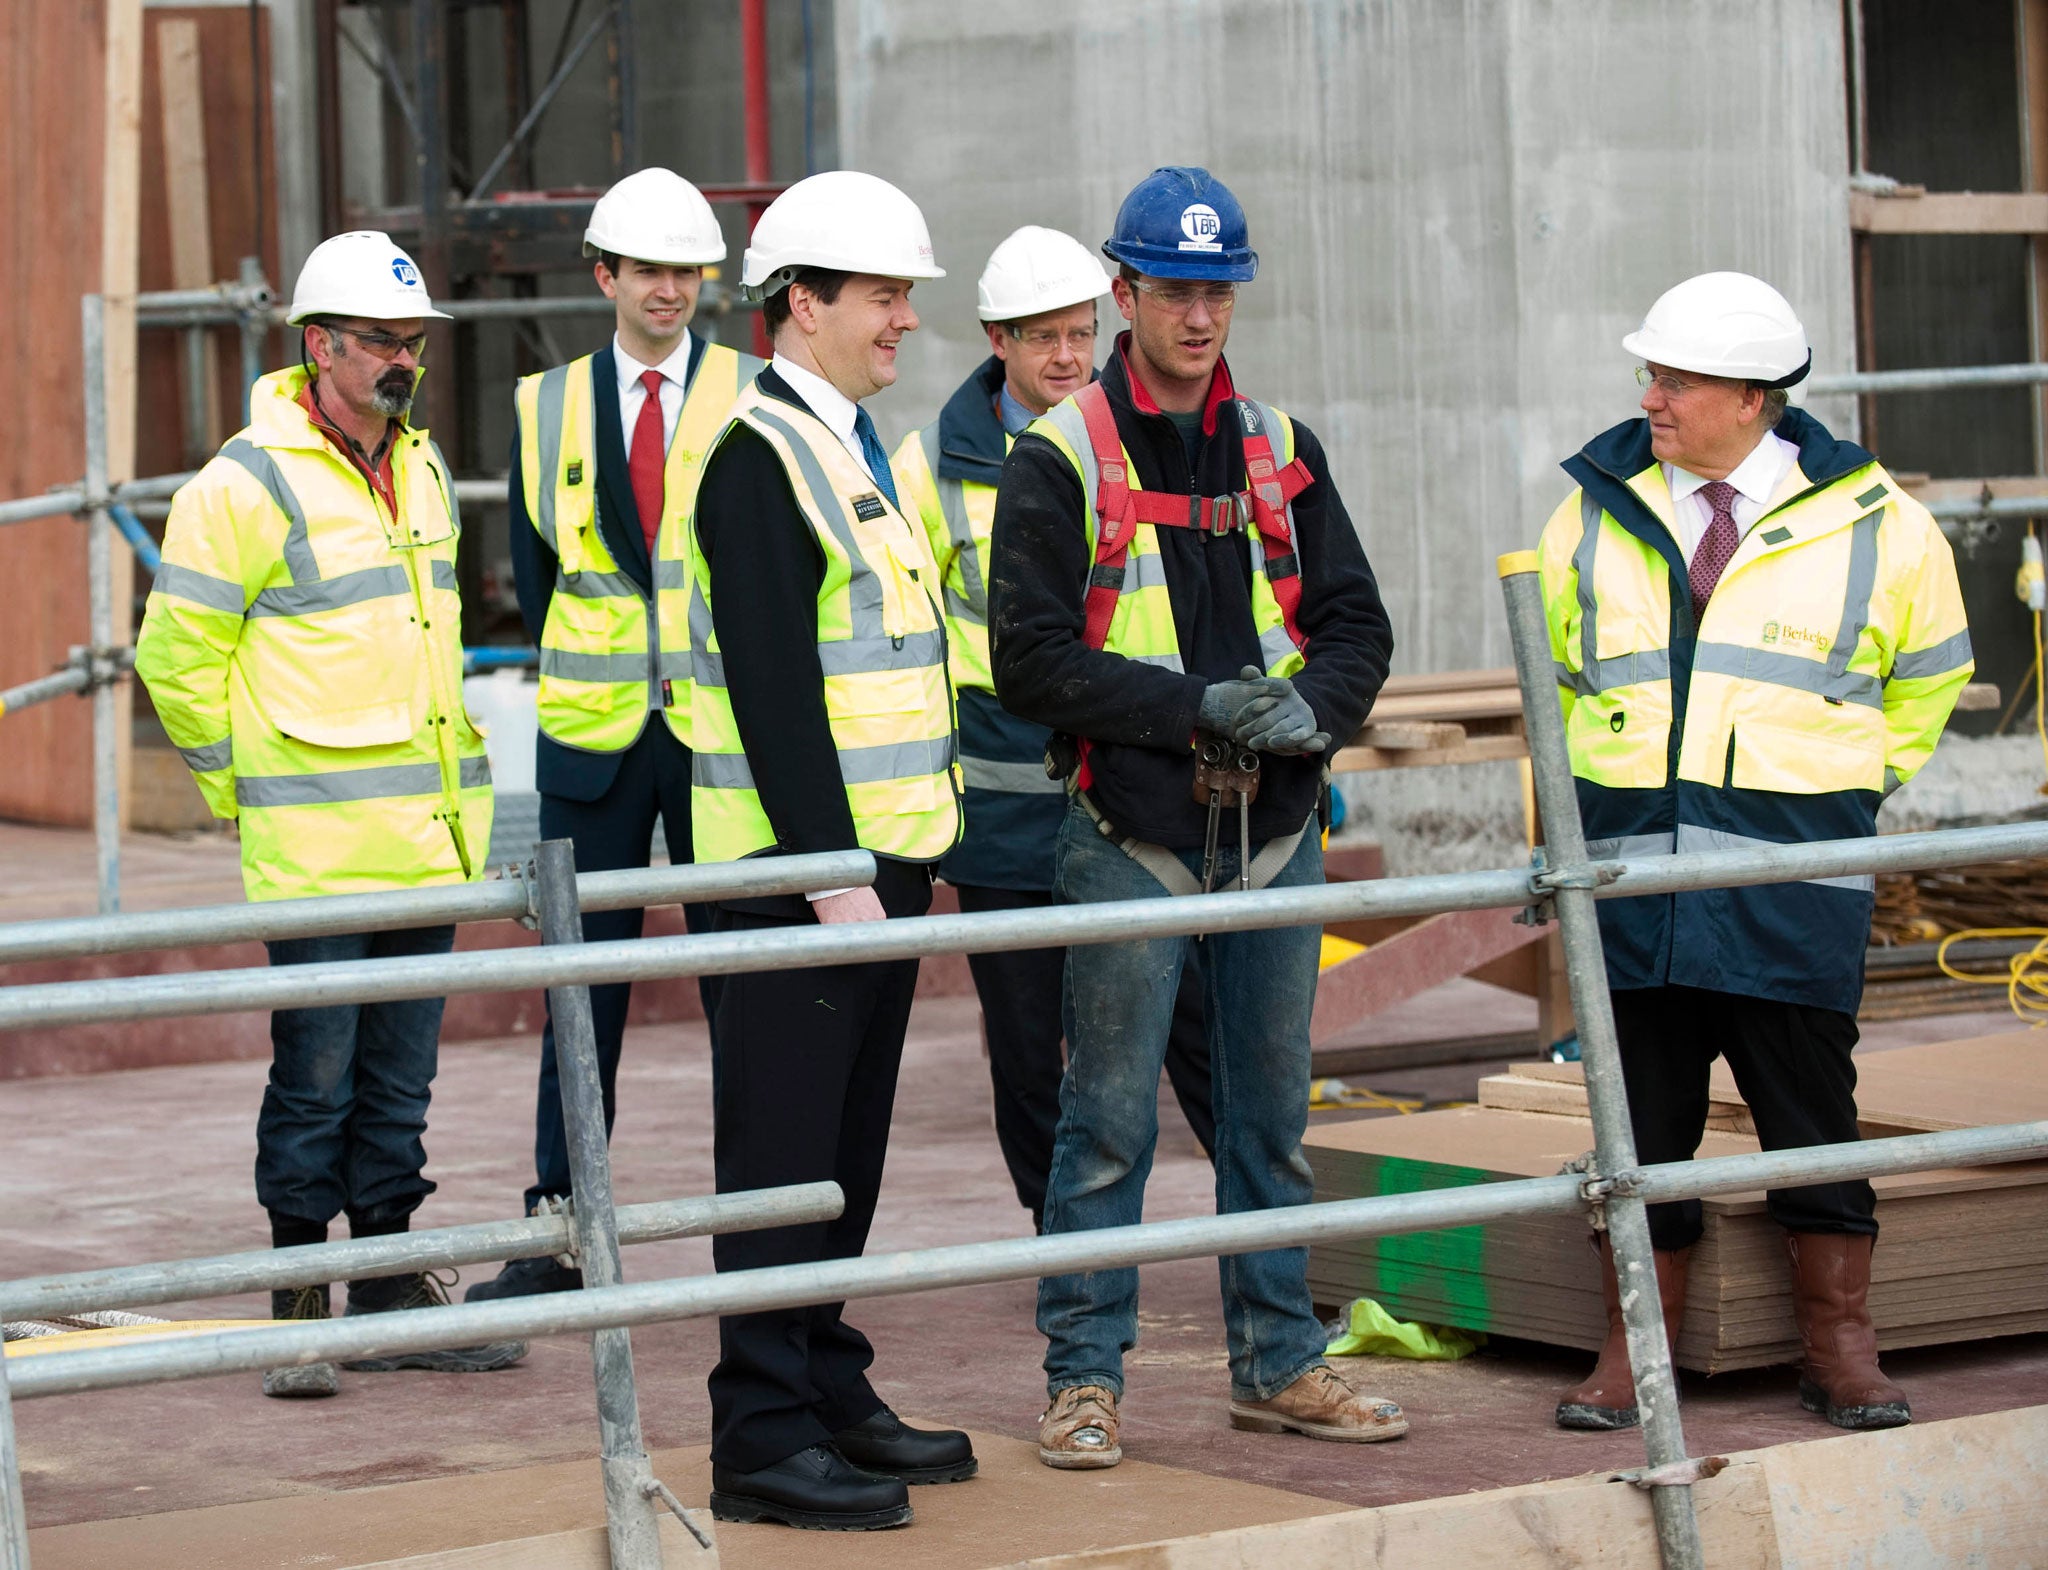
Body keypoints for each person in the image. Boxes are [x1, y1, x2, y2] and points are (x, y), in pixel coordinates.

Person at [989, 167, 1405, 1468]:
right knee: (1106, 1123)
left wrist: (1311, 711)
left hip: (1275, 834)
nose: (1199, 313)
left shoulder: (1278, 448)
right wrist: (1202, 708)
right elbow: (1031, 660)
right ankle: (1084, 1380)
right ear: (1125, 291)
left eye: (1218, 289)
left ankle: (1278, 1361)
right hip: (1133, 830)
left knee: (1270, 1115)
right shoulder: (1063, 456)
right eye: (1174, 287)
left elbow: (1356, 624)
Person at [1537, 271, 1973, 1434]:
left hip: (1789, 879)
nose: (1651, 396)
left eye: (1674, 378)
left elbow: (1927, 686)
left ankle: (1839, 1350)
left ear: (1751, 396)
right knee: (1637, 1129)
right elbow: (1556, 687)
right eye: (1651, 374)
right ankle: (1634, 1352)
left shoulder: (1880, 525)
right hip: (1633, 881)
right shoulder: (1588, 509)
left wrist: (1838, 797)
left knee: (1808, 1119)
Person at [135, 231, 522, 1398]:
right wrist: (244, 793)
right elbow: (175, 658)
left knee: (400, 1086)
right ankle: (300, 1302)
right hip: (313, 854)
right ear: (321, 346)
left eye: (415, 341)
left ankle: (393, 1288)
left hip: (423, 841)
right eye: (385, 342)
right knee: (315, 1080)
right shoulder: (243, 484)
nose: (407, 359)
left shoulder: (422, 467)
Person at [686, 170, 975, 1531]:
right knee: (782, 1154)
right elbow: (771, 682)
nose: (905, 319)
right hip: (795, 877)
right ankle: (757, 1426)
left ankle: (817, 1374)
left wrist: (901, 857)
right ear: (800, 302)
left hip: (879, 863)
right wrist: (824, 867)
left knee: (845, 1153)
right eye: (881, 295)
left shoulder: (854, 445)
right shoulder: (757, 458)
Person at [467, 169, 764, 1302]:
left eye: (687, 271)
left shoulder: (747, 388)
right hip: (593, 739)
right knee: (577, 984)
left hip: (714, 733)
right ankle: (559, 1220)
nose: (670, 290)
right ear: (606, 276)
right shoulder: (543, 405)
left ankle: (754, 1212)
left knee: (739, 974)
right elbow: (537, 577)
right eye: (649, 270)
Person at [892, 226, 1216, 1234]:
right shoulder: (926, 470)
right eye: (1043, 339)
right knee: (1029, 1045)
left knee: (1194, 1027)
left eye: (1080, 334)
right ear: (996, 338)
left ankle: (1271, 1239)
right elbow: (907, 636)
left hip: (1137, 787)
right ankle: (1063, 1241)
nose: (1068, 359)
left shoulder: (1137, 441)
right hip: (1002, 806)